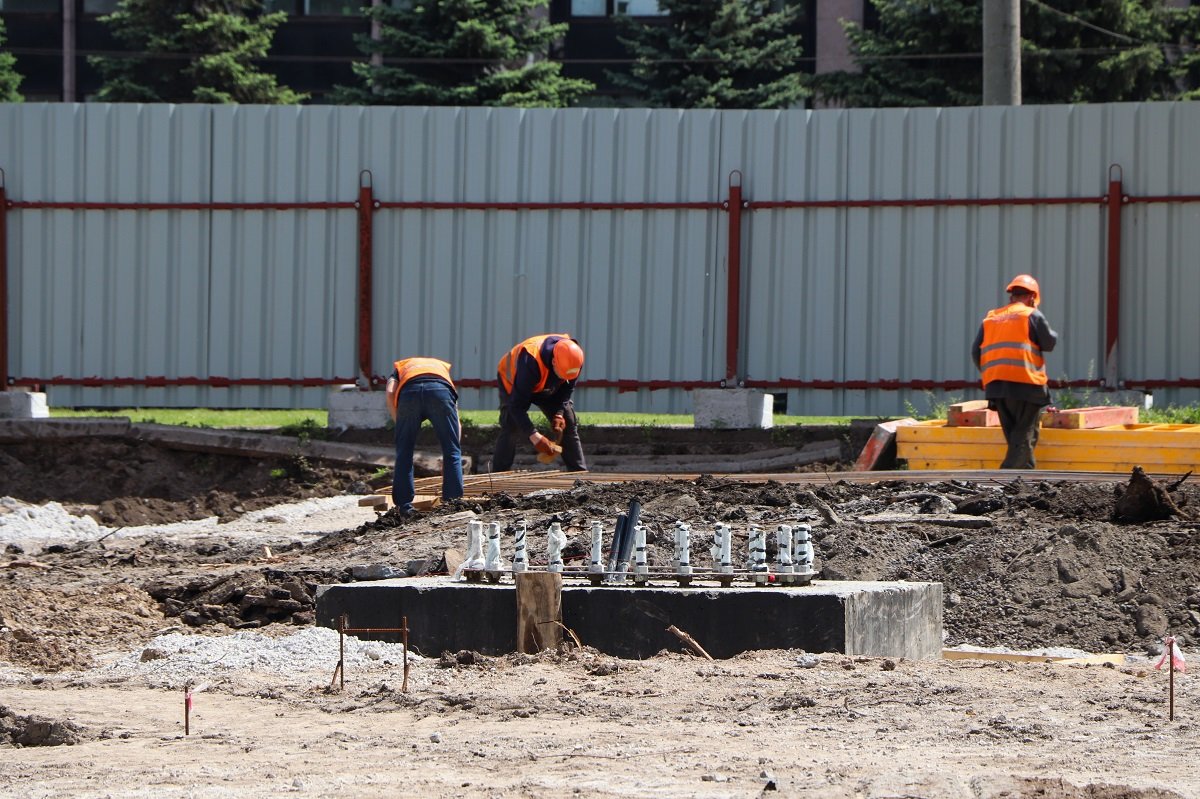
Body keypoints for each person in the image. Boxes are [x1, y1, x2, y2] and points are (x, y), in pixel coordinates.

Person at [972, 274, 1059, 469]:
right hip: (1027, 384)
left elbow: (975, 351)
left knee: (1017, 436)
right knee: (1024, 433)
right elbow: (1049, 343)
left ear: (1011, 296)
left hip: (997, 386)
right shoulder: (1031, 314)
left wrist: (990, 373)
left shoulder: (991, 317)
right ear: (1032, 297)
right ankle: (1007, 476)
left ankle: (1024, 482)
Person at [491, 333, 588, 472]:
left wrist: (559, 413)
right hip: (514, 383)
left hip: (546, 384)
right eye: (562, 375)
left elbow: (567, 388)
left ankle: (579, 474)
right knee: (511, 425)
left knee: (568, 423)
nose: (565, 378)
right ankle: (498, 475)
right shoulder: (530, 360)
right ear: (554, 361)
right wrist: (534, 436)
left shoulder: (574, 358)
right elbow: (517, 406)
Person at [385, 357, 464, 514]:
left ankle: (404, 506)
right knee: (452, 452)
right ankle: (452, 504)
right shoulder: (441, 371)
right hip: (440, 393)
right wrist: (454, 447)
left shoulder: (401, 368)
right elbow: (454, 410)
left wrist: (398, 420)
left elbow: (389, 391)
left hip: (409, 394)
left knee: (404, 453)